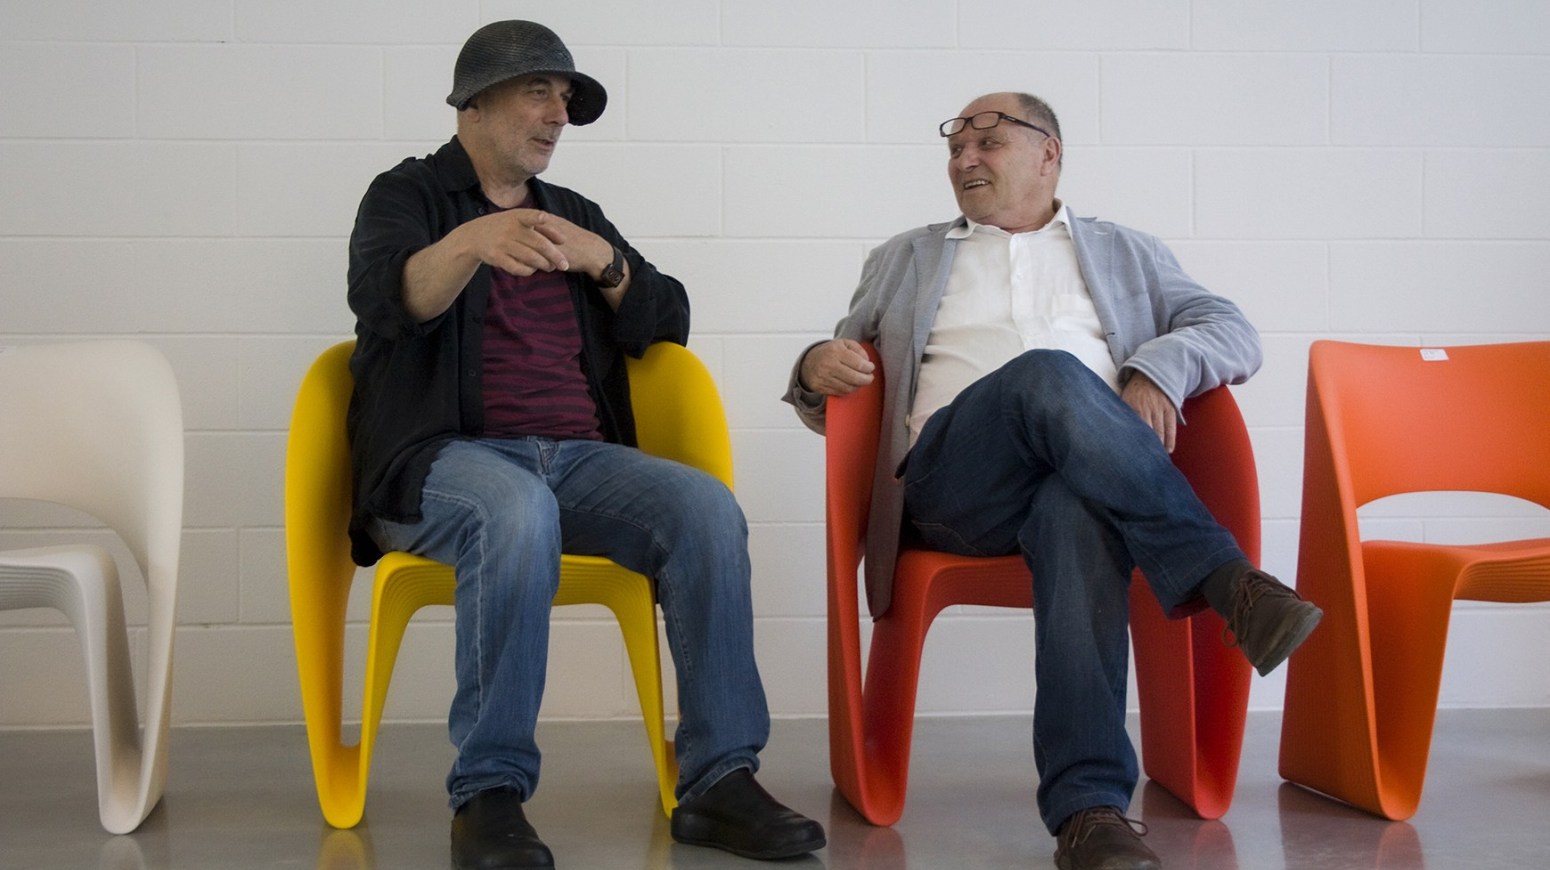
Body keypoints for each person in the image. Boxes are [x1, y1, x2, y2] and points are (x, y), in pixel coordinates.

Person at [785, 92, 1322, 870]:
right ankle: (1224, 576)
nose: (965, 159)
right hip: (954, 487)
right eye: (955, 148)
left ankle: (1089, 814)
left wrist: (1157, 367)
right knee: (1048, 373)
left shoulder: (1125, 251)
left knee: (1076, 512)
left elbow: (1233, 331)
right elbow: (839, 380)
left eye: (988, 142)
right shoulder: (905, 256)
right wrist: (812, 368)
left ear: (1049, 153)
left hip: (1091, 484)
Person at [346, 20, 825, 870]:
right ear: (475, 101)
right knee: (514, 508)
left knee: (706, 510)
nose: (558, 115)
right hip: (443, 461)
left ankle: (718, 781)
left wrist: (606, 261)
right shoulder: (406, 196)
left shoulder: (572, 214)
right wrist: (469, 243)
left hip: (576, 458)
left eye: (565, 99)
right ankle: (488, 795)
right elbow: (385, 301)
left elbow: (666, 320)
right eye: (539, 92)